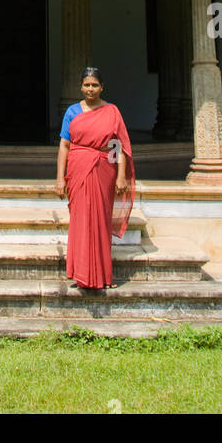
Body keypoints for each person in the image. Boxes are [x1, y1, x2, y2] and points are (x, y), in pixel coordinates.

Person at [55, 67, 135, 289]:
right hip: (78, 168)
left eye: (95, 85)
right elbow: (64, 145)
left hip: (103, 168)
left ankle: (101, 275)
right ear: (80, 87)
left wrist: (121, 176)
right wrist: (60, 178)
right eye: (87, 85)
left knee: (100, 220)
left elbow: (118, 145)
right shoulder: (72, 112)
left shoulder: (112, 112)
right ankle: (79, 273)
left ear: (102, 87)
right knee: (80, 220)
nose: (90, 89)